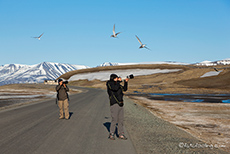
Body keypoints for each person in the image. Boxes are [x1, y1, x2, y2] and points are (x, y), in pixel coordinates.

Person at [106, 74, 129, 140]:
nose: (118, 78)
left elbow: (124, 89)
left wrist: (126, 82)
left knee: (121, 120)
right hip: (114, 103)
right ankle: (111, 133)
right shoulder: (109, 83)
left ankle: (121, 133)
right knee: (114, 119)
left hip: (120, 103)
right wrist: (118, 82)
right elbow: (115, 88)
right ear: (113, 78)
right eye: (116, 78)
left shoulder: (118, 84)